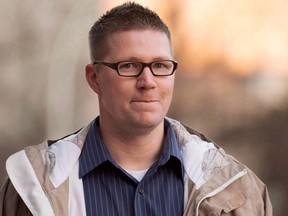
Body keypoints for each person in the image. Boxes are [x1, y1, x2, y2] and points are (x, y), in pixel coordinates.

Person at [0, 2, 272, 216]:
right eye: (128, 66)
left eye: (160, 66)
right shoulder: (31, 187)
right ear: (94, 78)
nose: (148, 82)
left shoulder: (239, 192)